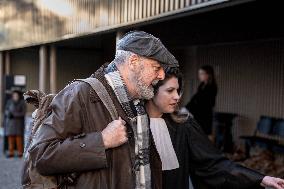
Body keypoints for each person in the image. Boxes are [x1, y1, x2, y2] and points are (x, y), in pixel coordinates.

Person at [26, 31, 179, 189]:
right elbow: (41, 156)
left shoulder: (138, 104)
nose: (161, 75)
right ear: (133, 62)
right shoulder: (80, 94)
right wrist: (102, 141)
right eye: (157, 67)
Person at [146, 67, 284, 189]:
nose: (177, 97)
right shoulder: (131, 126)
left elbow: (213, 165)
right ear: (151, 92)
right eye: (170, 90)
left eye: (177, 90)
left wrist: (261, 179)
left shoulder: (184, 126)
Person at [186, 65, 217, 138]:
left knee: (206, 133)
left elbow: (203, 102)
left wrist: (190, 108)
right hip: (198, 114)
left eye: (202, 74)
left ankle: (209, 148)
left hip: (205, 114)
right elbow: (194, 98)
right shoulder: (201, 85)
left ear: (208, 75)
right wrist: (187, 107)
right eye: (199, 73)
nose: (199, 76)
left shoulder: (211, 87)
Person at [4, 90, 26, 158]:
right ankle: (11, 152)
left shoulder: (22, 102)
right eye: (14, 95)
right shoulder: (9, 102)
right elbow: (6, 110)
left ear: (19, 96)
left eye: (16, 95)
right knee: (11, 139)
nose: (15, 96)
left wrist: (14, 115)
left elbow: (23, 113)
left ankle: (20, 152)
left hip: (18, 124)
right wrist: (8, 114)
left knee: (19, 139)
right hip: (10, 124)